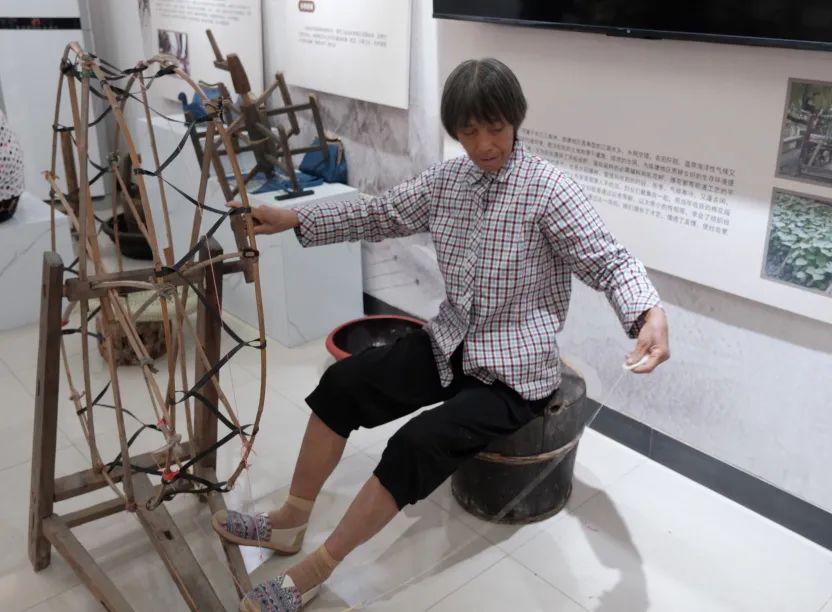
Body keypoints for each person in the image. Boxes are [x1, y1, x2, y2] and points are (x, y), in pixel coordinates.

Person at [213, 58, 670, 612]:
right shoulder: (448, 181)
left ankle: (317, 569)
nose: (484, 145)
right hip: (449, 343)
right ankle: (291, 519)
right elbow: (381, 214)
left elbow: (610, 260)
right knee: (343, 385)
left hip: (513, 375)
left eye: (495, 127)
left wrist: (647, 314)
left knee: (416, 444)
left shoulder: (550, 191)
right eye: (469, 131)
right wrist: (297, 220)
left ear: (516, 119)